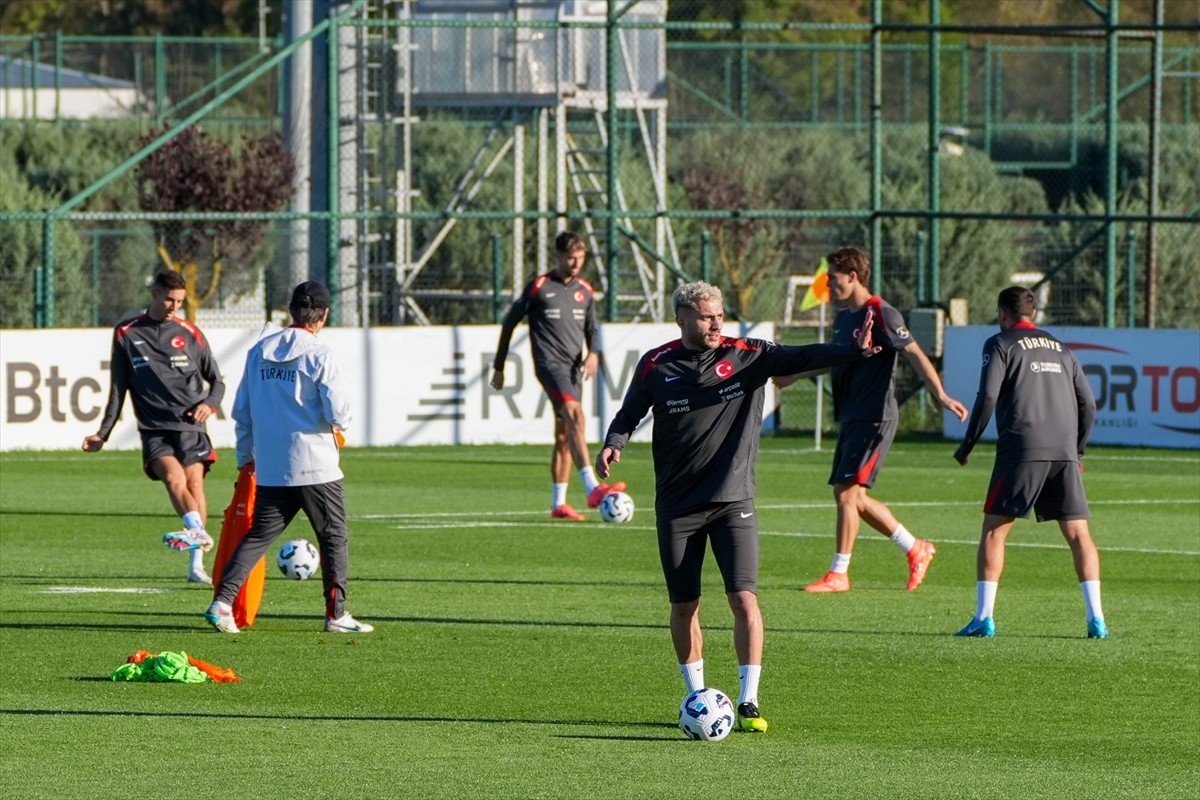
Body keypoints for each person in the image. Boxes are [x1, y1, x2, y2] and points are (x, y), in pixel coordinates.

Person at [596, 281, 879, 733]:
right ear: (682, 319)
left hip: (733, 501)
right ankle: (697, 696)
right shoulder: (656, 364)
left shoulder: (748, 354)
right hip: (677, 506)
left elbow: (802, 356)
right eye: (706, 316)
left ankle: (748, 700)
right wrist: (614, 442)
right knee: (684, 604)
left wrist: (852, 351)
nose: (716, 323)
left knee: (744, 598)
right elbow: (630, 414)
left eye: (719, 315)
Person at [781, 246, 968, 593]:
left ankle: (839, 573)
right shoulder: (843, 318)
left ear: (853, 277)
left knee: (846, 494)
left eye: (833, 277)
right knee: (852, 497)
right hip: (852, 415)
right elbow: (836, 360)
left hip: (875, 416)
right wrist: (796, 374)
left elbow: (914, 352)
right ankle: (915, 548)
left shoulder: (881, 312)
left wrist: (940, 395)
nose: (827, 283)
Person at [205, 280, 372, 634]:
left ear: (292, 310)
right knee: (333, 537)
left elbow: (242, 410)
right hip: (315, 465)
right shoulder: (320, 353)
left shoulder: (258, 350)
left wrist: (246, 457)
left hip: (272, 464)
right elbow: (339, 412)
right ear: (323, 315)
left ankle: (222, 603)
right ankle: (336, 615)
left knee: (258, 536)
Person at [953, 286, 1107, 639]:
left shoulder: (1000, 343)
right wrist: (1077, 450)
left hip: (1022, 448)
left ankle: (983, 617)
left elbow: (988, 396)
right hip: (1063, 451)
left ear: (1002, 313)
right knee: (1079, 534)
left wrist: (967, 444)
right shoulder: (1061, 348)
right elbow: (1088, 403)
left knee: (995, 530)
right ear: (1033, 314)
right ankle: (1097, 619)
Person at [83, 269, 224, 584]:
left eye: (180, 301)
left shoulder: (191, 333)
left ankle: (196, 566)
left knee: (195, 486)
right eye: (170, 300)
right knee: (173, 478)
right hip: (154, 429)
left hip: (191, 426)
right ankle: (199, 533)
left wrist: (209, 405)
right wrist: (102, 434)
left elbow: (217, 382)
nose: (175, 307)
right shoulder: (126, 333)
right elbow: (118, 389)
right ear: (155, 294)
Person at [491, 230, 624, 520]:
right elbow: (509, 323)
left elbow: (592, 329)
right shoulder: (539, 286)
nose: (576, 263)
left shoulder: (585, 290)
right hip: (549, 365)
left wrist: (593, 353)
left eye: (581, 258)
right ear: (559, 256)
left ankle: (558, 504)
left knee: (565, 435)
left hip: (573, 369)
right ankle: (592, 488)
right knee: (577, 417)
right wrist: (499, 366)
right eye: (571, 258)